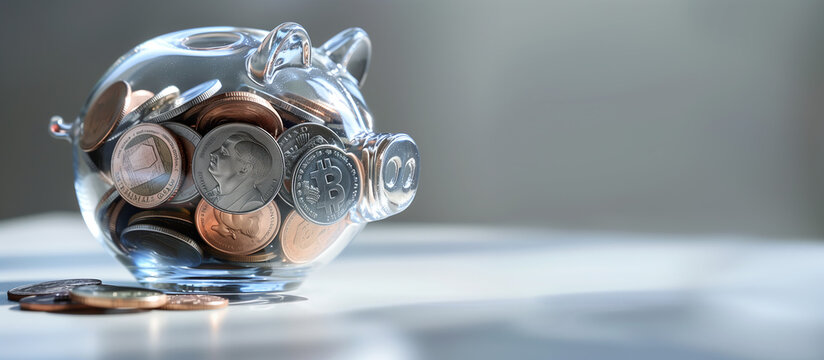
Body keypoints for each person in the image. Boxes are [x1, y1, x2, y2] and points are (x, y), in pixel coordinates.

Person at [205, 132, 272, 212]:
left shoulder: (252, 205)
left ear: (244, 169)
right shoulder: (213, 195)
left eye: (223, 153)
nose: (212, 154)